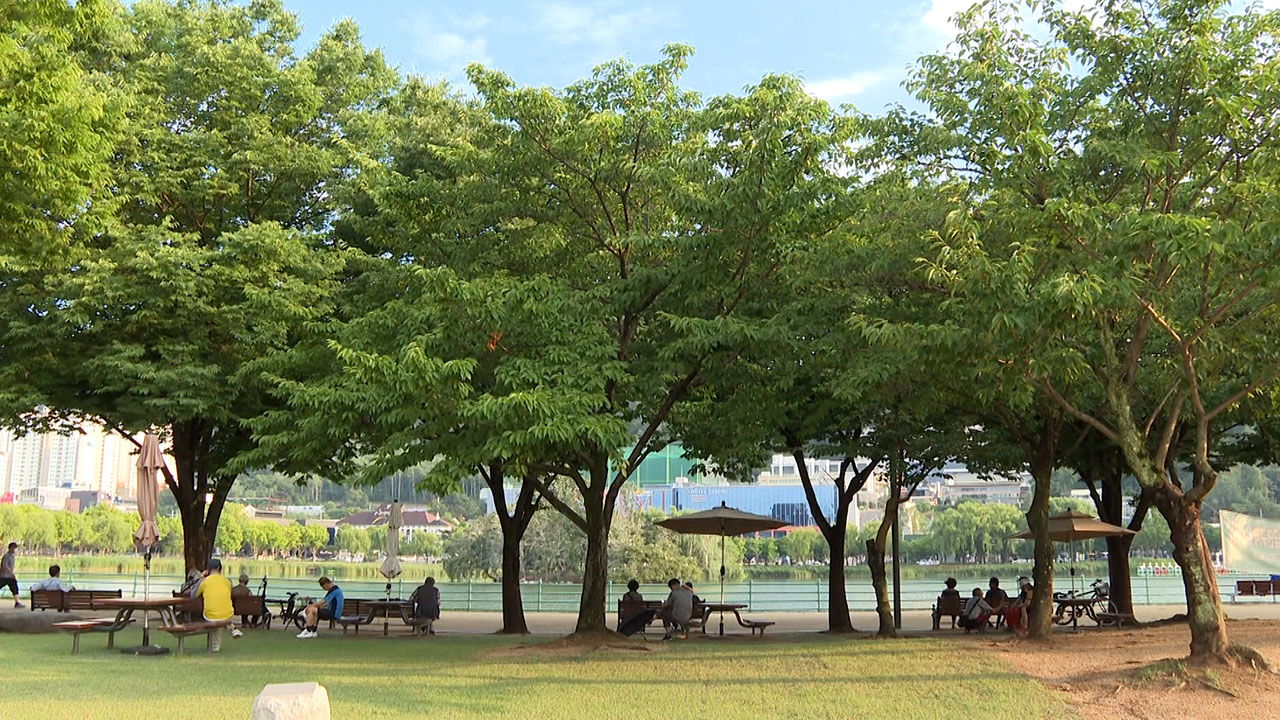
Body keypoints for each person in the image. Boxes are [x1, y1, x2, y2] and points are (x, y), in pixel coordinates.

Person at [195, 559, 239, 650]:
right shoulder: (228, 581)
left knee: (215, 615)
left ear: (208, 569)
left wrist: (200, 578)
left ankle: (216, 646)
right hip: (228, 614)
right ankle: (232, 628)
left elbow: (194, 595)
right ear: (219, 568)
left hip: (210, 615)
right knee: (222, 616)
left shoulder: (204, 581)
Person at [1, 542, 22, 608]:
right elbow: (5, 565)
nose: (15, 550)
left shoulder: (12, 556)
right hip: (4, 576)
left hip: (10, 577)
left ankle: (17, 602)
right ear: (11, 548)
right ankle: (17, 602)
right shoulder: (7, 556)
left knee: (14, 588)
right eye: (15, 548)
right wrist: (11, 573)